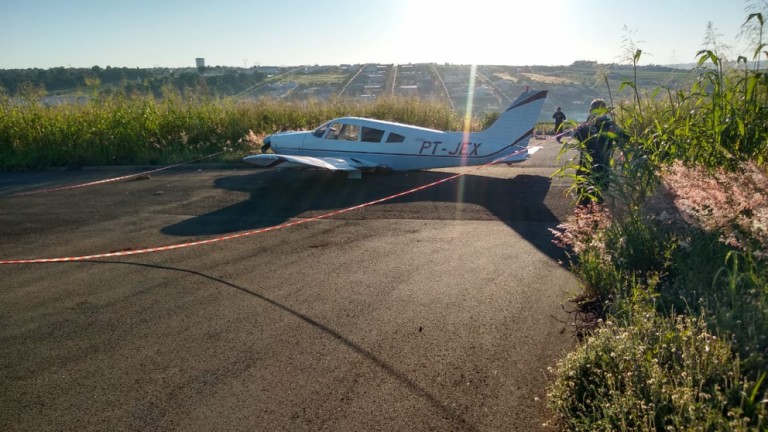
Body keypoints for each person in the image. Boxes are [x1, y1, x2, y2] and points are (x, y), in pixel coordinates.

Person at [570, 98, 629, 206]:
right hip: (587, 168)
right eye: (595, 111)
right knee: (584, 203)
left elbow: (625, 138)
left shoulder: (609, 126)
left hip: (601, 169)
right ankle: (584, 219)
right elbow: (575, 136)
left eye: (600, 111)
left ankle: (593, 219)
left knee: (597, 202)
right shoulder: (585, 126)